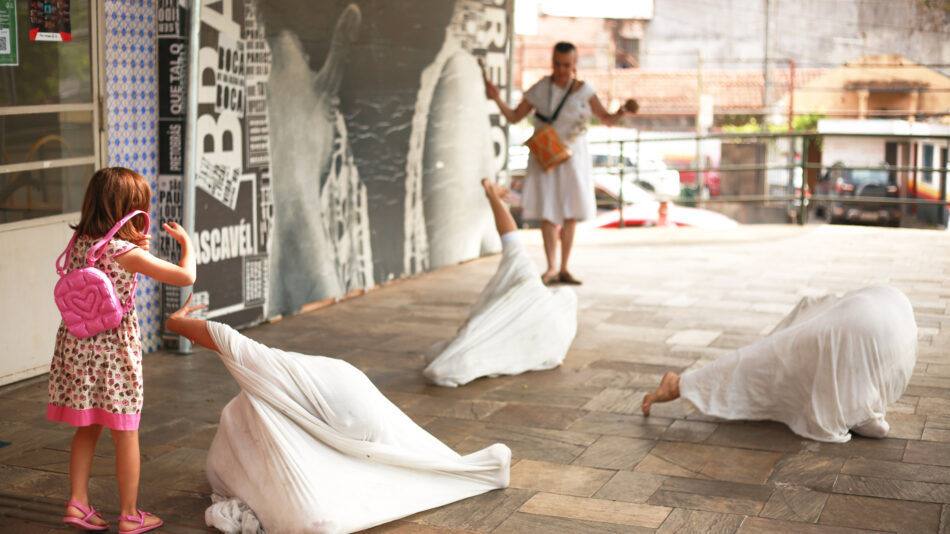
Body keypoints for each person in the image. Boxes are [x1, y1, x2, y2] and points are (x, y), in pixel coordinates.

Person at [165, 295, 510, 534]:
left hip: (343, 407)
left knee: (376, 460)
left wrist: (177, 321)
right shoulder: (284, 383)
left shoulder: (338, 397)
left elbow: (222, 337)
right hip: (259, 431)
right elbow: (223, 337)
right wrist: (179, 321)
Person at [47, 167, 196, 533]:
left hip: (77, 346)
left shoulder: (80, 242)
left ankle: (77, 502)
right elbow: (185, 276)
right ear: (132, 208)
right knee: (126, 430)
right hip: (114, 352)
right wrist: (187, 245)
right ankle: (130, 514)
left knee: (88, 426)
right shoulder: (125, 252)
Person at [641, 285, 918, 443]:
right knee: (770, 358)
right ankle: (681, 384)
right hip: (888, 312)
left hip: (879, 302)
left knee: (772, 353)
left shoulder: (848, 380)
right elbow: (878, 429)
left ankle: (681, 384)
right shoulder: (851, 388)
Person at [485, 41, 633, 285]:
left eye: (566, 65)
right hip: (546, 156)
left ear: (574, 65)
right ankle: (551, 267)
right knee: (548, 211)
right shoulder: (541, 88)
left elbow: (606, 119)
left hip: (574, 158)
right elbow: (514, 116)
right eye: (557, 64)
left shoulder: (585, 91)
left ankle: (564, 267)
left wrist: (623, 111)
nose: (561, 70)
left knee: (570, 213)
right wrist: (496, 99)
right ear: (552, 62)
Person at [423, 179, 577, 387]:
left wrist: (492, 193)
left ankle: (492, 193)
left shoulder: (529, 283)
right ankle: (492, 193)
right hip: (541, 322)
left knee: (457, 355)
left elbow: (510, 237)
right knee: (460, 353)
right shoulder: (555, 319)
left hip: (533, 306)